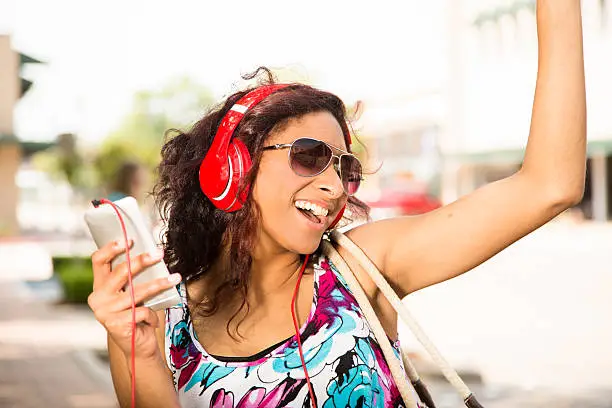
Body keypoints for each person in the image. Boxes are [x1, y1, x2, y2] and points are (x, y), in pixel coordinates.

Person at [87, 2, 586, 407]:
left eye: (344, 169)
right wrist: (140, 352)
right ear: (232, 168)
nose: (334, 187)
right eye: (310, 157)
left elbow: (550, 185)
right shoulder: (161, 323)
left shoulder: (360, 271)